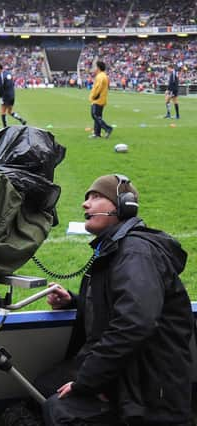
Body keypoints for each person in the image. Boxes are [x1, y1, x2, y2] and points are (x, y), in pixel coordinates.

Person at [41, 174, 193, 425]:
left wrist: (86, 382)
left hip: (149, 385)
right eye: (86, 198)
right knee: (45, 385)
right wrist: (74, 301)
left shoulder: (135, 253)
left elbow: (135, 323)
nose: (85, 204)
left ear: (124, 206)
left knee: (60, 409)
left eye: (97, 197)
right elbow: (119, 306)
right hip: (130, 366)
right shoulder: (116, 248)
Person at [0, 63, 26, 127]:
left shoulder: (1, 76)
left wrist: (1, 96)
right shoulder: (9, 73)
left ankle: (5, 127)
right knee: (9, 111)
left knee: (3, 111)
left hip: (6, 96)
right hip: (12, 95)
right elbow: (12, 83)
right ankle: (21, 120)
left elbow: (0, 87)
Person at [88, 61, 113, 139]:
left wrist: (94, 96)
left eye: (95, 67)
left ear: (98, 68)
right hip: (101, 99)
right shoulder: (103, 76)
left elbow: (98, 88)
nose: (94, 69)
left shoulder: (100, 76)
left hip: (98, 99)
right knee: (98, 117)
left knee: (94, 115)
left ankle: (107, 128)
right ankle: (97, 134)